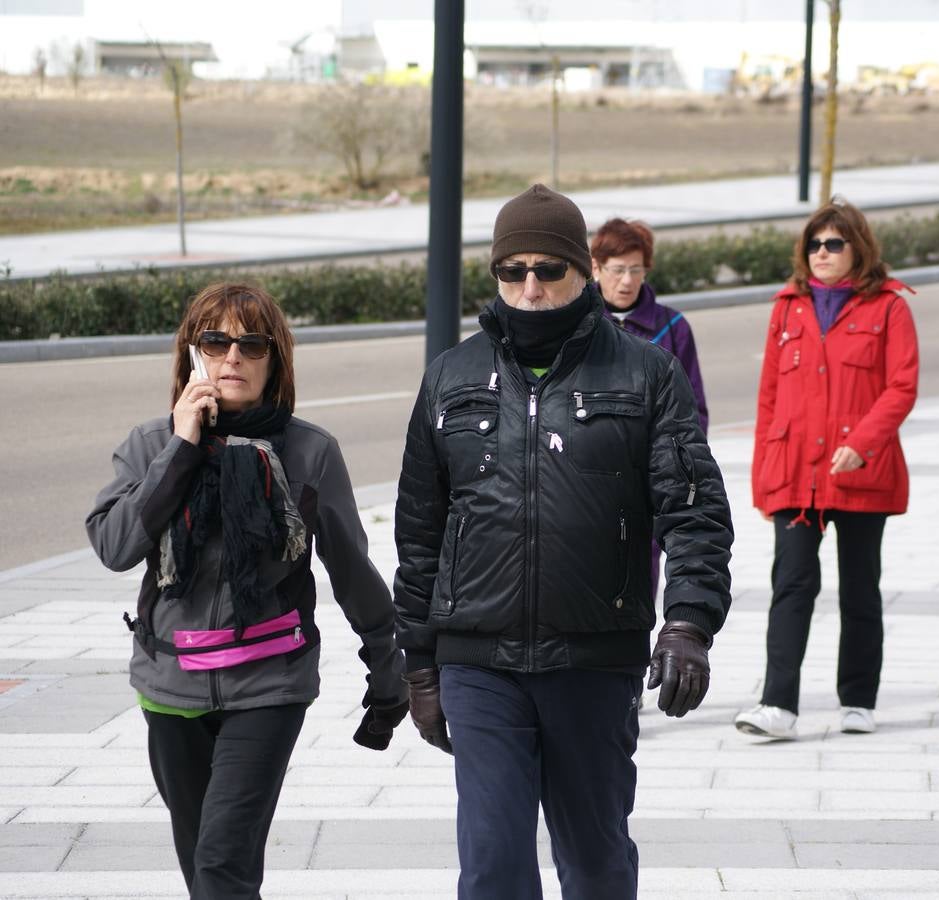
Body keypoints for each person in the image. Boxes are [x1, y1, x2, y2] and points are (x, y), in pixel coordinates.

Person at [392, 184, 733, 900]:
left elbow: (694, 510)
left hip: (594, 660)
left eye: (548, 270)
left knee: (596, 863)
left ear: (581, 271)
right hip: (479, 665)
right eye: (512, 271)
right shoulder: (451, 378)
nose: (531, 287)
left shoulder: (645, 374)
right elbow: (420, 536)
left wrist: (688, 623)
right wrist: (418, 665)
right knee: (492, 865)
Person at [86, 282, 408, 898]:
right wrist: (182, 448)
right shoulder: (152, 445)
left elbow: (351, 569)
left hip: (268, 685)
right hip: (169, 685)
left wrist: (388, 667)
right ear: (191, 355)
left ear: (274, 360)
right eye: (215, 340)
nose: (233, 356)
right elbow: (116, 547)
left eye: (251, 343)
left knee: (222, 866)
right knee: (204, 865)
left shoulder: (310, 452)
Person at [734, 200, 919, 741]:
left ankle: (859, 699)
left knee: (861, 588)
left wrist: (862, 443)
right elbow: (768, 399)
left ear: (856, 248)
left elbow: (901, 386)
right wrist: (764, 480)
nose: (822, 254)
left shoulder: (888, 308)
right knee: (790, 584)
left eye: (833, 244)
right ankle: (778, 706)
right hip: (795, 474)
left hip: (862, 473)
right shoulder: (786, 309)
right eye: (814, 244)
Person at [591, 216, 710, 598]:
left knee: (639, 595)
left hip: (648, 490)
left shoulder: (672, 328)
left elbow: (693, 414)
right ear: (596, 268)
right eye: (618, 269)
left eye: (636, 269)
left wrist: (674, 476)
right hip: (587, 487)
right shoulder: (581, 325)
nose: (627, 280)